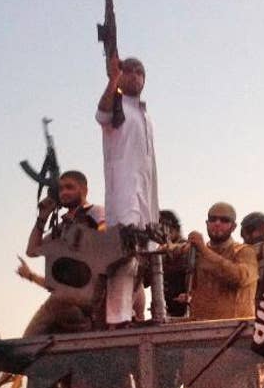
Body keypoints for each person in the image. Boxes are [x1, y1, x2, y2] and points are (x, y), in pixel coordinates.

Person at [96, 55, 160, 327]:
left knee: (148, 256)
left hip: (147, 194)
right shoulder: (117, 105)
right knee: (124, 256)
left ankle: (143, 314)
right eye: (128, 70)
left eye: (140, 71)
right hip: (124, 193)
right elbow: (101, 113)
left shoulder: (144, 114)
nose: (134, 75)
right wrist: (112, 80)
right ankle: (118, 318)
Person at [19, 170, 105, 336]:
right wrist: (42, 218)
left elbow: (104, 233)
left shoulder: (94, 212)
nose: (64, 192)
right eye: (61, 189)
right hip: (67, 298)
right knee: (32, 340)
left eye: (70, 187)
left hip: (90, 293)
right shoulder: (62, 227)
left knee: (30, 339)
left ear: (84, 190)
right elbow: (32, 251)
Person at [168, 202, 258, 321]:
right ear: (207, 223)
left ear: (233, 226)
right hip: (200, 330)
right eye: (213, 219)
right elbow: (170, 251)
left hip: (236, 331)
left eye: (224, 220)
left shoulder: (244, 252)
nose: (217, 223)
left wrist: (204, 250)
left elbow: (239, 277)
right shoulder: (197, 250)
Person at [158, 210, 190, 318]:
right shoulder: (160, 250)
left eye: (165, 228)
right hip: (167, 308)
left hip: (186, 307)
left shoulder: (187, 248)